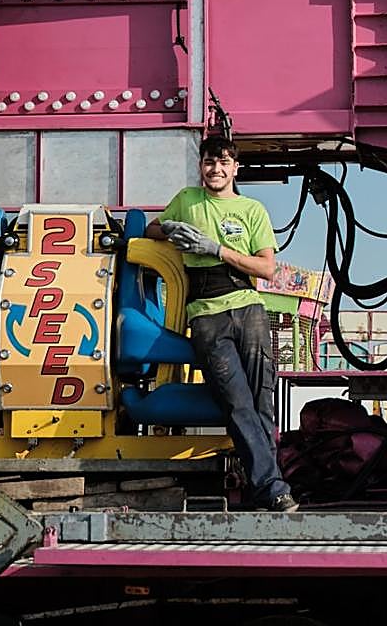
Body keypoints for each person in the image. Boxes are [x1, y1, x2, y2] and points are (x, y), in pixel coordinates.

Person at [145, 135, 298, 512]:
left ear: (235, 168)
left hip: (249, 310)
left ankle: (266, 488)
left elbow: (266, 267)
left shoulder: (252, 210)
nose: (216, 169)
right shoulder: (186, 200)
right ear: (201, 166)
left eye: (224, 162)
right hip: (207, 316)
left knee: (262, 403)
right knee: (237, 403)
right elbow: (151, 231)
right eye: (210, 162)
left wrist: (217, 250)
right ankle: (275, 488)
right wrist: (169, 231)